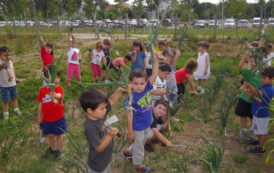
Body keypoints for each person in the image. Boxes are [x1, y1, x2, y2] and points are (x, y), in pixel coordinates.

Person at [123, 52, 160, 173]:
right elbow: (129, 116)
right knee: (140, 147)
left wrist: (156, 60)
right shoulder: (131, 98)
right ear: (130, 84)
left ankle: (128, 152)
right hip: (138, 127)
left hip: (147, 123)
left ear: (146, 83)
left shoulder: (148, 88)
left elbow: (154, 73)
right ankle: (138, 165)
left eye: (142, 83)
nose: (139, 86)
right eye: (135, 84)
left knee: (141, 142)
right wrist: (130, 133)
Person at [80, 87, 127, 173]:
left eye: (105, 107)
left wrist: (119, 90)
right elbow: (98, 148)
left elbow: (111, 101)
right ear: (89, 111)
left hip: (105, 160)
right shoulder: (90, 127)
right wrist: (109, 135)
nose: (106, 110)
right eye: (102, 108)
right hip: (98, 166)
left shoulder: (99, 114)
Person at [37, 65, 66, 160]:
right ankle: (53, 148)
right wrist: (39, 117)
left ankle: (59, 151)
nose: (56, 80)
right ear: (46, 78)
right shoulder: (42, 90)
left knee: (58, 135)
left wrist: (54, 95)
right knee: (50, 135)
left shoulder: (58, 89)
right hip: (46, 119)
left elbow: (59, 96)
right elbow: (40, 104)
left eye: (58, 77)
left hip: (58, 119)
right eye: (53, 77)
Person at [243, 66, 274, 153]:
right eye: (261, 77)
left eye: (264, 78)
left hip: (263, 114)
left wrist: (249, 85)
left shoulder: (270, 89)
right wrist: (249, 95)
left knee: (262, 131)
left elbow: (258, 93)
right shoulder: (262, 85)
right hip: (257, 112)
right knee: (258, 129)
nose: (262, 79)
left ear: (272, 79)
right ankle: (259, 141)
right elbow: (256, 96)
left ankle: (261, 148)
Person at [235, 54, 261, 139]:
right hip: (244, 98)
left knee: (252, 116)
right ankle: (243, 129)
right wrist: (243, 59)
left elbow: (259, 90)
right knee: (243, 115)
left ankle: (252, 130)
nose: (253, 63)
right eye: (251, 61)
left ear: (260, 62)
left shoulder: (260, 76)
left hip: (253, 100)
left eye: (255, 61)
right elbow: (240, 68)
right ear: (248, 62)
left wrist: (253, 94)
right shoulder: (247, 72)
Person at [0, 46, 22, 121]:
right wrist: (3, 65)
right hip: (4, 86)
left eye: (9, 55)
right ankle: (5, 114)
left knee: (14, 98)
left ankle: (16, 109)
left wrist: (15, 78)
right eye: (5, 55)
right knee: (5, 101)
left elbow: (12, 71)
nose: (7, 57)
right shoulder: (1, 63)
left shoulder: (11, 62)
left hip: (12, 85)